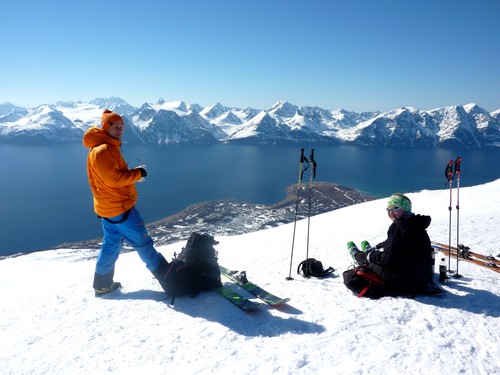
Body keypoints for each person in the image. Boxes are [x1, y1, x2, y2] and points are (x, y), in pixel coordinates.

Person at [83, 109, 169, 297]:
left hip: (107, 208)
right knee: (143, 244)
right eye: (116, 126)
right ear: (106, 127)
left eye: (122, 126)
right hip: (120, 208)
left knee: (111, 244)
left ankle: (102, 284)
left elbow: (109, 177)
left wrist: (132, 172)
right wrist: (138, 174)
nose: (120, 129)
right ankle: (172, 282)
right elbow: (113, 180)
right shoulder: (104, 149)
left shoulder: (103, 146)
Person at [343, 193, 435, 298]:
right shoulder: (416, 223)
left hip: (404, 281)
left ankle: (357, 255)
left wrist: (371, 255)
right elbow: (398, 242)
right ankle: (368, 253)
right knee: (378, 255)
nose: (391, 213)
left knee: (371, 260)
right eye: (388, 210)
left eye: (395, 208)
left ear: (405, 208)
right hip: (422, 278)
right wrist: (379, 246)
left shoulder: (398, 227)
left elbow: (388, 259)